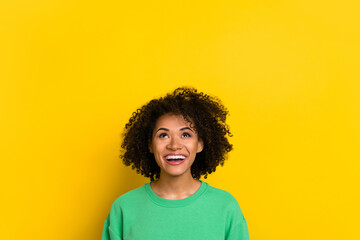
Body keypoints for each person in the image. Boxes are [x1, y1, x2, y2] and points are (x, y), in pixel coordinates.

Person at [102, 87, 249, 240]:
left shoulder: (225, 207)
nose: (174, 145)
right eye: (163, 135)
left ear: (200, 144)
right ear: (150, 145)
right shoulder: (124, 208)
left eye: (185, 134)